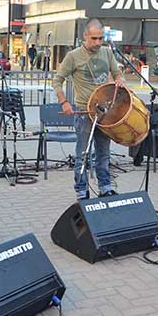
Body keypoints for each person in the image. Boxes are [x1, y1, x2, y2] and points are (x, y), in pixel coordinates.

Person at [52, 18, 126, 200]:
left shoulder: (107, 53)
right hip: (84, 112)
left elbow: (117, 73)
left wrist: (120, 79)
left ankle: (105, 187)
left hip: (104, 113)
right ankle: (81, 190)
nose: (98, 43)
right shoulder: (73, 56)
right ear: (85, 36)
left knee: (103, 153)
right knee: (83, 154)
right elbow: (57, 81)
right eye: (94, 38)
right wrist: (64, 102)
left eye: (101, 38)